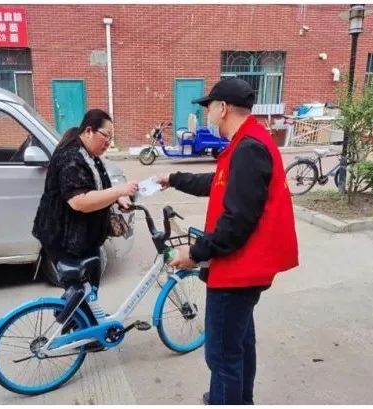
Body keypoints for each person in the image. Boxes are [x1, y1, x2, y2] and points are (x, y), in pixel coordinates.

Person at [157, 78, 298, 405]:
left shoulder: (249, 148)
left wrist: (194, 253)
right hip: (245, 268)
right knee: (239, 344)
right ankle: (239, 399)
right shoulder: (247, 141)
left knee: (222, 355)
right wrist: (174, 179)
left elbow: (237, 221)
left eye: (208, 108)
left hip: (238, 271)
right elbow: (219, 182)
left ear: (222, 108)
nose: (206, 114)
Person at [32, 108, 138, 294]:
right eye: (106, 135)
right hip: (65, 240)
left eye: (111, 137)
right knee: (80, 293)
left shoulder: (90, 155)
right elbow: (80, 201)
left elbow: (99, 186)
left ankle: (85, 311)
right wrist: (119, 190)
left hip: (85, 238)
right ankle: (75, 313)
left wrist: (117, 198)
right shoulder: (70, 157)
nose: (109, 142)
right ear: (89, 131)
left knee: (88, 291)